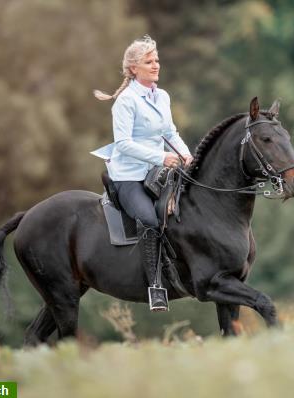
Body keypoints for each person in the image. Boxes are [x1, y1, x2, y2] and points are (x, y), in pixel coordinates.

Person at [94, 35, 192, 311]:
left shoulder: (162, 96)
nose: (156, 65)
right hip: (128, 176)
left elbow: (170, 133)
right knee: (149, 218)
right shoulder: (125, 101)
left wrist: (185, 154)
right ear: (133, 68)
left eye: (157, 60)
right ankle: (155, 286)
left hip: (159, 171)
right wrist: (163, 156)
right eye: (149, 61)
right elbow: (123, 144)